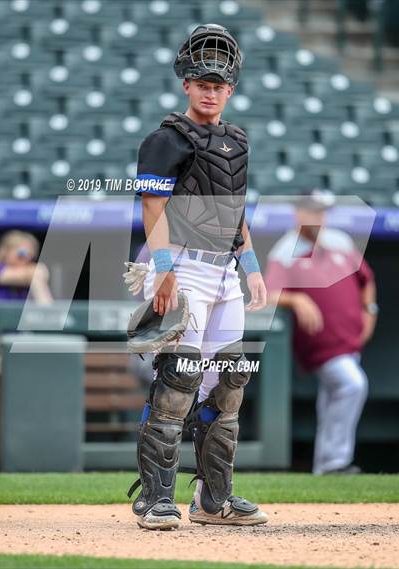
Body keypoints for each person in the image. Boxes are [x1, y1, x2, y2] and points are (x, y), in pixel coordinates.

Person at [128, 24, 268, 529]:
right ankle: (154, 499)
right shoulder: (166, 138)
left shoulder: (236, 139)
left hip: (223, 270)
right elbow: (152, 205)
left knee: (228, 383)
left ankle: (213, 500)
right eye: (202, 82)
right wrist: (163, 272)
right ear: (186, 83)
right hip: (180, 263)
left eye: (219, 84)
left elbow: (235, 211)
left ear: (230, 88)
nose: (211, 90)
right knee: (179, 378)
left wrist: (250, 266)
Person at [264, 190, 377, 475]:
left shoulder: (339, 240)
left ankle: (325, 467)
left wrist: (370, 311)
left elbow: (367, 280)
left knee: (332, 400)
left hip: (350, 340)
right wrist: (296, 298)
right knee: (352, 384)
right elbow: (266, 294)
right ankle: (336, 461)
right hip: (320, 344)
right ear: (298, 213)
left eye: (322, 211)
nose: (319, 217)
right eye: (313, 211)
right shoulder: (285, 250)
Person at [0, 230, 53, 304]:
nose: (27, 259)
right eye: (22, 253)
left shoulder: (27, 281)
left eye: (31, 256)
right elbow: (34, 273)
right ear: (6, 251)